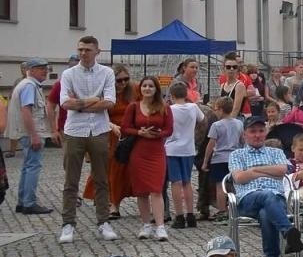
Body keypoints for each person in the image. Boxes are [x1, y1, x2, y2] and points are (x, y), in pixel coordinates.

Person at [58, 36, 120, 244]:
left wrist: (81, 103)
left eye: (87, 50)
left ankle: (103, 221)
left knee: (101, 178)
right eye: (80, 50)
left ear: (97, 51)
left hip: (99, 129)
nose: (83, 53)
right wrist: (94, 99)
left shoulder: (107, 73)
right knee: (71, 180)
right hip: (75, 130)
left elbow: (110, 102)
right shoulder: (68, 73)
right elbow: (65, 103)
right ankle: (68, 224)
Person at [227, 115, 303, 257]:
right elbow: (239, 178)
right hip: (248, 199)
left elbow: (283, 170)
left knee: (266, 213)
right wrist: (267, 171)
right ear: (244, 135)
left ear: (266, 132)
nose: (257, 135)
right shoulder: (237, 155)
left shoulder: (275, 152)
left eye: (261, 131)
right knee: (267, 195)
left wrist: (253, 171)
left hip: (276, 200)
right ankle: (287, 231)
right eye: (253, 131)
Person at [123, 76, 173, 242]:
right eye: (144, 86)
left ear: (156, 89)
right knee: (141, 191)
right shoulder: (133, 106)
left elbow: (169, 129)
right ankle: (146, 224)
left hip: (156, 151)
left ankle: (160, 226)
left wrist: (158, 134)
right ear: (140, 89)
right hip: (138, 151)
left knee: (156, 189)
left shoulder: (164, 107)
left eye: (151, 86)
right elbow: (125, 127)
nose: (147, 89)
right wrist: (139, 132)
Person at [12, 58, 54, 215]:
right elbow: (26, 111)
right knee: (32, 167)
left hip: (26, 132)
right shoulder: (29, 85)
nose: (45, 71)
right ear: (30, 70)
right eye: (40, 68)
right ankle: (29, 203)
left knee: (27, 166)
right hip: (31, 132)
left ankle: (22, 202)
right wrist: (34, 135)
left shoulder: (27, 84)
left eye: (46, 68)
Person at [165, 79, 205, 230]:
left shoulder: (169, 109)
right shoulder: (193, 107)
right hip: (188, 148)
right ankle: (190, 214)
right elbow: (203, 120)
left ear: (172, 95)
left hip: (172, 148)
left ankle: (179, 216)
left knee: (175, 182)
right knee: (187, 182)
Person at [200, 95, 242, 222]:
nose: (215, 112)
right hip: (234, 158)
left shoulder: (216, 125)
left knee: (220, 186)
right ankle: (234, 208)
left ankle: (222, 210)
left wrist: (205, 161)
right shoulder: (239, 123)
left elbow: (211, 144)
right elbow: (242, 141)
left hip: (219, 158)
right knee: (234, 185)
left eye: (216, 109)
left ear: (221, 110)